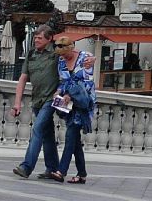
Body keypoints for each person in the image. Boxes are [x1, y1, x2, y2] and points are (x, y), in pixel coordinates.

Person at [11, 26, 60, 179]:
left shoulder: (57, 53)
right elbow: (23, 78)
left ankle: (26, 167)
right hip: (37, 99)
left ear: (49, 39)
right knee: (47, 134)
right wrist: (17, 103)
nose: (36, 40)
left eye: (40, 38)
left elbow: (75, 55)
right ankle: (52, 168)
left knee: (38, 129)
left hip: (51, 99)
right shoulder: (31, 54)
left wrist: (90, 59)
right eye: (35, 37)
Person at [49, 35, 94, 185]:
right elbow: (63, 81)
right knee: (75, 141)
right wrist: (59, 91)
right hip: (68, 105)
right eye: (60, 55)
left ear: (71, 48)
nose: (62, 57)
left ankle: (61, 171)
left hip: (82, 104)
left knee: (70, 135)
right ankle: (82, 174)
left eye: (64, 54)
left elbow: (87, 82)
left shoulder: (85, 58)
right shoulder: (61, 61)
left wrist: (70, 94)